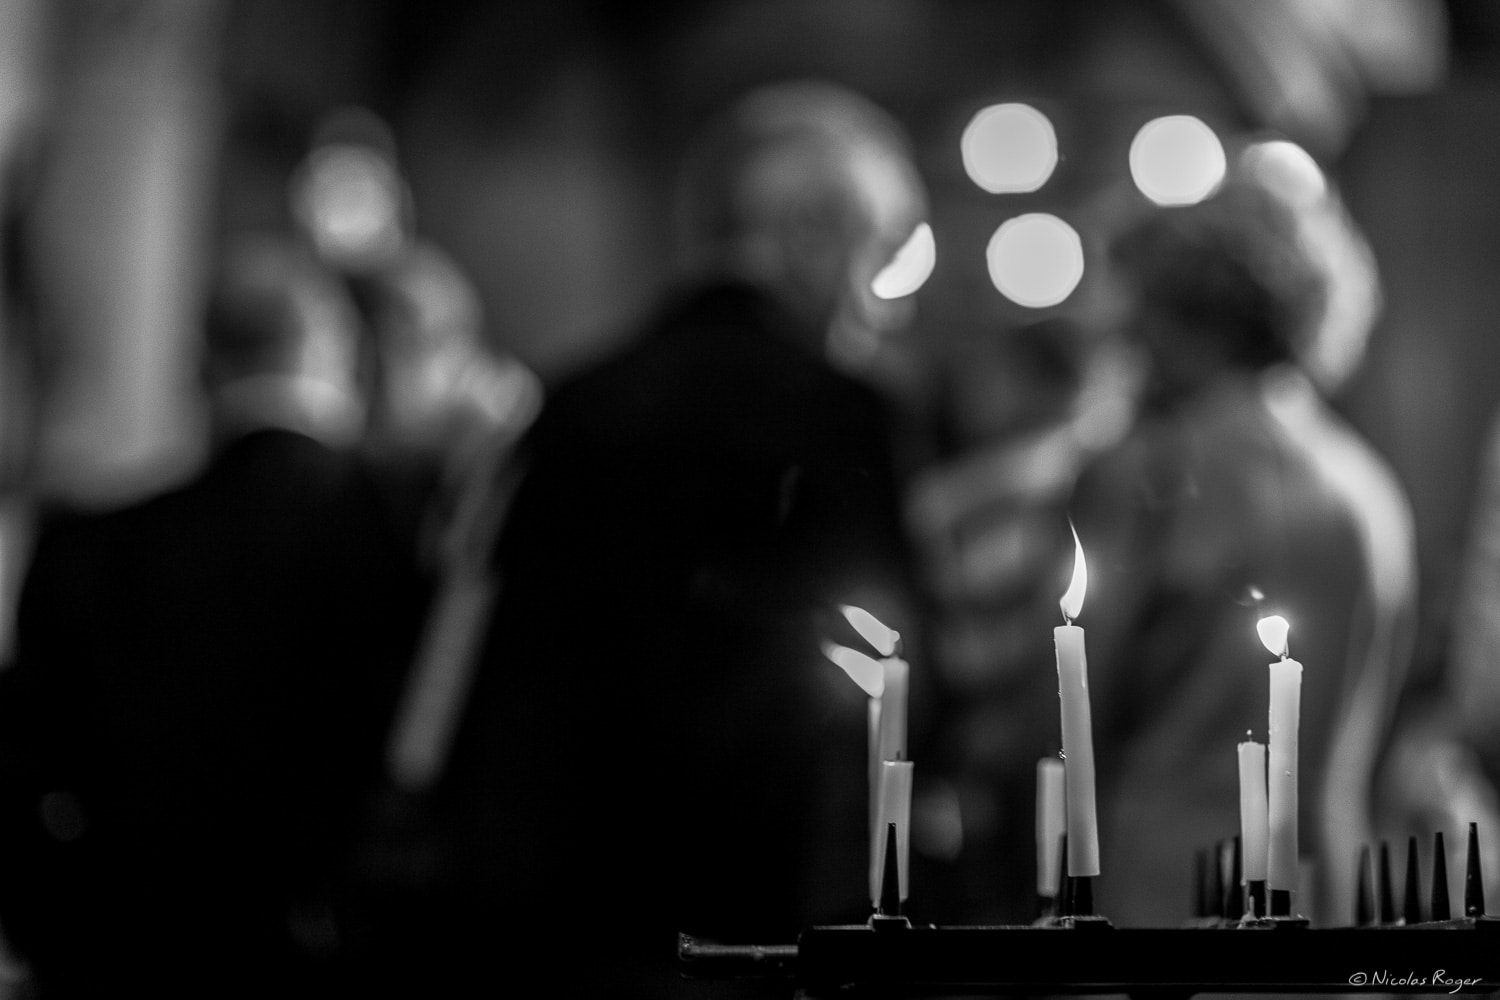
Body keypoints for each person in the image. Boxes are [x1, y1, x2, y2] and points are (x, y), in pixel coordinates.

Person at [362, 79, 933, 995]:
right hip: (760, 917)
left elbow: (469, 635)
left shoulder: (573, 403)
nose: (885, 303)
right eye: (882, 255)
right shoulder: (840, 417)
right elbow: (897, 672)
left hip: (557, 911)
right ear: (811, 232)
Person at [0, 235, 427, 997]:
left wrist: (60, 936)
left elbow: (20, 768)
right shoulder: (408, 535)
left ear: (200, 367)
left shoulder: (88, 551)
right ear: (341, 357)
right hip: (348, 956)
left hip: (133, 956)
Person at [1060, 150, 1419, 928]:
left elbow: (1068, 698)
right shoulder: (1369, 487)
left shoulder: (1156, 471)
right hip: (1322, 886)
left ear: (1183, 313)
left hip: (1159, 897)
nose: (1124, 336)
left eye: (1140, 308)